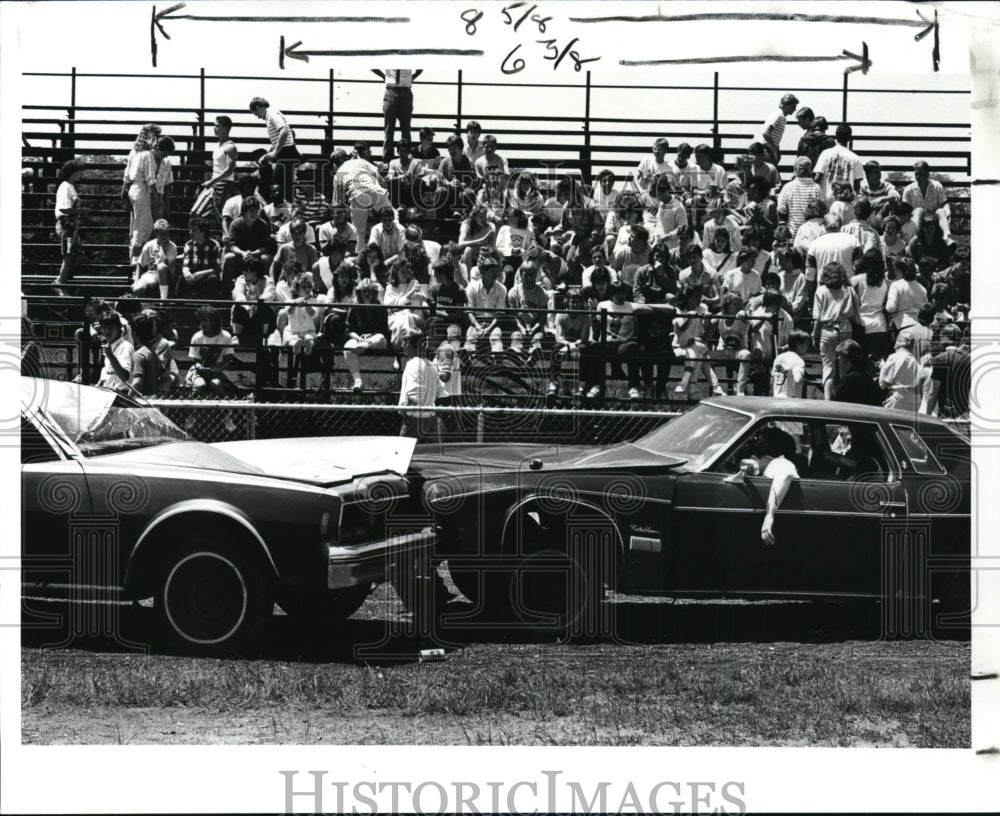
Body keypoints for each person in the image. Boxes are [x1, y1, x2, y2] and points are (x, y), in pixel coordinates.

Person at [812, 262, 861, 400]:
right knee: (844, 368)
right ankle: (844, 400)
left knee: (828, 368)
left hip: (828, 330)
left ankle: (828, 402)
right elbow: (854, 311)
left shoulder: (821, 290)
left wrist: (814, 335)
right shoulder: (848, 289)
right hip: (846, 328)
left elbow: (817, 317)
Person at [329, 146, 391, 246]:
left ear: (335, 163)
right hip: (376, 190)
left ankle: (359, 257)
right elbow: (382, 181)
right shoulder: (360, 161)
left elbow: (337, 203)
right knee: (393, 219)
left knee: (359, 232)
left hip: (357, 196)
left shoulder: (337, 174)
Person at [672, 285, 724, 398]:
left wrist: (707, 320)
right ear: (688, 298)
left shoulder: (703, 307)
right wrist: (689, 318)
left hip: (696, 343)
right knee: (699, 355)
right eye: (696, 296)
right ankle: (712, 387)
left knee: (695, 348)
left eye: (700, 296)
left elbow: (704, 328)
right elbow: (681, 329)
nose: (699, 299)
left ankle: (684, 383)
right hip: (681, 346)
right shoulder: (679, 310)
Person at [128, 135, 175, 259]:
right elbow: (150, 179)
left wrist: (164, 204)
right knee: (141, 229)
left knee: (155, 230)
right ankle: (136, 263)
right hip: (144, 193)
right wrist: (158, 200)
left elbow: (167, 185)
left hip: (154, 195)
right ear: (159, 148)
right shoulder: (146, 156)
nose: (166, 156)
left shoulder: (165, 163)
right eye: (165, 153)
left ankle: (151, 260)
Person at [340, 277, 390, 393]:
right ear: (359, 292)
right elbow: (348, 329)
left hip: (375, 340)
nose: (367, 294)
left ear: (374, 293)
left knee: (380, 338)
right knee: (348, 348)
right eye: (364, 291)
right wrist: (357, 337)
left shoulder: (380, 308)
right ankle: (357, 381)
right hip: (358, 339)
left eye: (369, 291)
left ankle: (364, 345)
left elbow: (383, 332)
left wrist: (370, 335)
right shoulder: (354, 306)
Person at [398, 329, 445, 441]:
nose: (402, 345)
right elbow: (440, 390)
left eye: (403, 341)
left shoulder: (412, 364)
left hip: (413, 419)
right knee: (429, 455)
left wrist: (403, 411)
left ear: (408, 343)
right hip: (430, 417)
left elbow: (415, 395)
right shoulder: (430, 365)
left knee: (404, 453)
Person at [249, 96, 300, 202]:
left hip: (287, 153)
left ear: (258, 107)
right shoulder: (270, 116)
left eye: (255, 113)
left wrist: (276, 151)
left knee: (280, 185)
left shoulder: (272, 114)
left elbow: (284, 131)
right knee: (281, 185)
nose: (257, 117)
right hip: (286, 152)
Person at [756, 427, 800, 546]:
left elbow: (785, 473)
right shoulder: (773, 463)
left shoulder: (780, 462)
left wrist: (769, 515)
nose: (758, 444)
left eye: (764, 442)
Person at [806, 213, 860, 304]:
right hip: (847, 293)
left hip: (823, 294)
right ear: (841, 225)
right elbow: (859, 270)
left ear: (824, 226)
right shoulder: (853, 241)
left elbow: (810, 275)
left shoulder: (815, 244)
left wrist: (811, 299)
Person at [191, 115, 238, 219]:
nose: (214, 128)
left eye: (217, 126)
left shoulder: (230, 147)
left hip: (224, 186)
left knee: (223, 217)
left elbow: (229, 170)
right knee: (195, 213)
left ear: (225, 128)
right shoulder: (217, 145)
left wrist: (212, 182)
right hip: (213, 184)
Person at [223, 196, 274, 289]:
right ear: (245, 211)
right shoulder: (235, 224)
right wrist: (243, 253)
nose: (254, 213)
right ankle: (227, 291)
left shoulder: (262, 224)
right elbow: (232, 245)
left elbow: (265, 246)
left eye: (256, 210)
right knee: (228, 257)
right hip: (240, 256)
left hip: (256, 256)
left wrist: (254, 253)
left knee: (267, 258)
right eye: (251, 211)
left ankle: (266, 289)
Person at [186, 305, 236, 399]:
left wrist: (218, 370)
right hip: (198, 372)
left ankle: (224, 410)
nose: (202, 324)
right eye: (200, 321)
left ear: (214, 321)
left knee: (215, 384)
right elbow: (196, 361)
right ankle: (192, 409)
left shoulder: (225, 336)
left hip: (216, 372)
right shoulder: (197, 337)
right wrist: (201, 368)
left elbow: (227, 360)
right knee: (200, 385)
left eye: (205, 320)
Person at [850, 247, 890, 362]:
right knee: (875, 362)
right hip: (880, 324)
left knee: (859, 361)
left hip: (862, 324)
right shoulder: (885, 281)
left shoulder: (856, 280)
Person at [922, 323, 970, 418]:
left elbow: (933, 393)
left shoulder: (941, 359)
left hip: (947, 414)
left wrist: (927, 417)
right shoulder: (968, 358)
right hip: (965, 413)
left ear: (945, 338)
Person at [463, 251, 507, 354]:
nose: (495, 275)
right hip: (475, 324)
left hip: (493, 324)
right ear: (483, 271)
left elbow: (499, 314)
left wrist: (489, 329)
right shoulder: (472, 288)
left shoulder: (502, 289)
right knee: (469, 342)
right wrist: (478, 327)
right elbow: (469, 311)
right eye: (492, 271)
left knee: (497, 342)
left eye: (497, 271)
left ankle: (497, 367)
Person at [53, 159, 86, 294]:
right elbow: (63, 209)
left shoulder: (70, 186)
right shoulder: (65, 187)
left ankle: (59, 280)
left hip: (72, 225)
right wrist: (81, 211)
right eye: (80, 172)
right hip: (67, 224)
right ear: (74, 172)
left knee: (79, 256)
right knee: (68, 256)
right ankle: (61, 285)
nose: (81, 175)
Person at [902, 160, 952, 240]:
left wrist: (947, 211)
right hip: (916, 220)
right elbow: (904, 210)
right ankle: (915, 239)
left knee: (940, 211)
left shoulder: (937, 185)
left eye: (921, 174)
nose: (918, 177)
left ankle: (947, 236)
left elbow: (944, 202)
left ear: (927, 174)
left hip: (934, 219)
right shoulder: (908, 189)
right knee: (919, 210)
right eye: (916, 174)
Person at [814, 123, 864, 203]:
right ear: (849, 138)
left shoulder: (825, 153)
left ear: (836, 136)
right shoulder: (855, 158)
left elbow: (817, 177)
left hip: (826, 199)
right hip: (846, 201)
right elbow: (856, 185)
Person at [230, 259, 277, 342]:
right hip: (246, 314)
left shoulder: (267, 280)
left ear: (255, 272)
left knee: (265, 307)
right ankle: (236, 337)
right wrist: (246, 307)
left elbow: (269, 295)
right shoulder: (241, 279)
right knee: (238, 306)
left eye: (246, 270)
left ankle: (263, 337)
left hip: (260, 316)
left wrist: (256, 305)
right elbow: (238, 293)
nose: (243, 272)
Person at [777, 156, 824, 238]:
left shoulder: (788, 187)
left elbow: (781, 211)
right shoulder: (816, 188)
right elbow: (821, 211)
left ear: (795, 169)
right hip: (812, 234)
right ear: (810, 170)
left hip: (793, 234)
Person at [177, 216, 222, 298]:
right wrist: (186, 272)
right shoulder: (189, 245)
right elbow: (186, 264)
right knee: (182, 279)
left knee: (213, 279)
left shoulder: (214, 245)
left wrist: (202, 273)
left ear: (203, 232)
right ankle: (179, 307)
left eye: (194, 230)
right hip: (193, 276)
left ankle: (213, 307)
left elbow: (217, 268)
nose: (190, 232)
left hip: (207, 276)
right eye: (190, 229)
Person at [133, 219, 178, 299]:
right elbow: (140, 264)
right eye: (162, 234)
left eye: (166, 234)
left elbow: (167, 265)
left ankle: (163, 301)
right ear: (156, 233)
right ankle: (149, 305)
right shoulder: (149, 245)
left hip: (167, 275)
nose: (164, 236)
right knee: (137, 289)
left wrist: (162, 248)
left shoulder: (172, 247)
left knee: (161, 267)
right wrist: (136, 281)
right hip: (152, 274)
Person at [831, 339, 882, 406]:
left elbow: (837, 404)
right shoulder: (867, 378)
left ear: (846, 360)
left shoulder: (848, 380)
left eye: (839, 358)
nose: (838, 361)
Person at [270, 217, 319, 283]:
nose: (298, 236)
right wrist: (272, 280)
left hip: (302, 283)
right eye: (295, 233)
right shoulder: (284, 248)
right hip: (286, 282)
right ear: (291, 234)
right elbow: (273, 266)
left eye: (300, 232)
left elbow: (315, 271)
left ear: (304, 233)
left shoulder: (311, 250)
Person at [879, 333, 920, 412]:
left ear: (896, 344)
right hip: (914, 402)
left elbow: (882, 384)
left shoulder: (894, 357)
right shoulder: (916, 362)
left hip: (897, 399)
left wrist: (883, 367)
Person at [128, 312, 166, 398]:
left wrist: (127, 400)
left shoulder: (138, 355)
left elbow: (137, 383)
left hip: (140, 404)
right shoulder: (151, 353)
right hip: (151, 402)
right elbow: (166, 378)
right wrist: (156, 395)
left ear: (134, 333)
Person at [886, 256, 928, 331]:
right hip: (918, 324)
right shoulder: (922, 288)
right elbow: (925, 308)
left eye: (897, 270)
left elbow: (890, 308)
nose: (895, 272)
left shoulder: (896, 285)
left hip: (900, 325)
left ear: (901, 271)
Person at [756, 93, 799, 165]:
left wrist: (777, 152)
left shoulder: (781, 117)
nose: (795, 109)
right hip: (766, 151)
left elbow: (774, 137)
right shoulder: (778, 116)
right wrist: (774, 150)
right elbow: (765, 133)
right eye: (793, 106)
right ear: (787, 105)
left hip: (768, 150)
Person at [96, 312, 134, 392]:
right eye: (104, 327)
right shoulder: (109, 346)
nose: (107, 331)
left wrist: (110, 355)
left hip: (121, 394)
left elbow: (125, 376)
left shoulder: (125, 347)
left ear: (119, 328)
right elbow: (104, 379)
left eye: (111, 328)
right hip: (108, 393)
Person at [223, 176, 267, 241]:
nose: (250, 189)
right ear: (242, 187)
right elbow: (225, 220)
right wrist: (227, 234)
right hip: (233, 235)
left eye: (252, 187)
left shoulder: (257, 203)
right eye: (248, 186)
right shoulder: (231, 201)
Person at [771, 329, 811, 399]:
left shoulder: (778, 358)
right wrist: (803, 379)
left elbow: (772, 381)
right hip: (791, 402)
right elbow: (798, 379)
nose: (808, 347)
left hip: (776, 398)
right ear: (798, 344)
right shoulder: (798, 361)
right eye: (806, 344)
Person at [473, 134, 510, 208]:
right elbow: (480, 181)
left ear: (495, 148)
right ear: (483, 148)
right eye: (487, 147)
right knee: (480, 195)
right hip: (486, 188)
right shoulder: (479, 162)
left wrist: (500, 173)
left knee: (507, 195)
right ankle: (478, 214)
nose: (489, 149)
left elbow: (508, 176)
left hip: (501, 189)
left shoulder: (501, 160)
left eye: (492, 147)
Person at [457, 206, 497, 272]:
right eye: (481, 217)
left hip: (485, 254)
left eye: (485, 217)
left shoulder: (491, 226)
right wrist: (482, 240)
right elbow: (460, 243)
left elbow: (491, 247)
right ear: (474, 217)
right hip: (471, 256)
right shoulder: (466, 224)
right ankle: (469, 279)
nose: (484, 220)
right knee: (468, 250)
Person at [610, 224, 651, 289]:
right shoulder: (623, 250)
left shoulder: (651, 253)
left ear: (641, 241)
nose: (628, 237)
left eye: (632, 236)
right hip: (624, 289)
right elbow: (611, 270)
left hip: (643, 289)